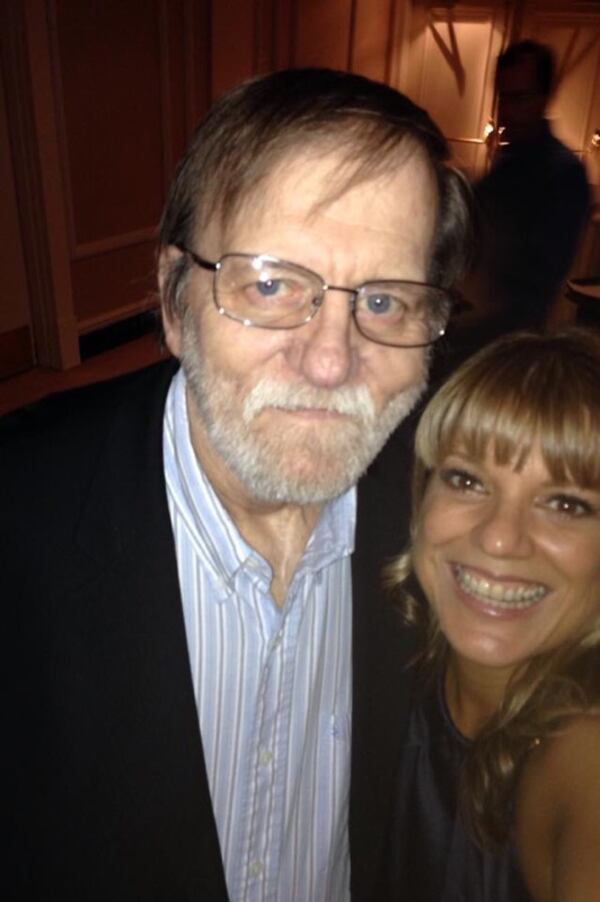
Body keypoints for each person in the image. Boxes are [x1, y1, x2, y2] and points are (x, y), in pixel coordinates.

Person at [6, 68, 473, 900]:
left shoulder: (458, 513)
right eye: (269, 284)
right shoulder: (19, 520)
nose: (331, 361)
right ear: (175, 302)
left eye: (385, 300)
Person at [382, 329, 600, 900]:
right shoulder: (381, 653)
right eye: (467, 479)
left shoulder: (582, 754)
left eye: (566, 503)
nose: (501, 539)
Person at [459, 41, 590, 354]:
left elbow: (540, 278)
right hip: (478, 329)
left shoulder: (562, 172)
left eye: (521, 97)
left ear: (545, 97)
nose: (508, 111)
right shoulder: (507, 161)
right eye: (504, 97)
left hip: (507, 342)